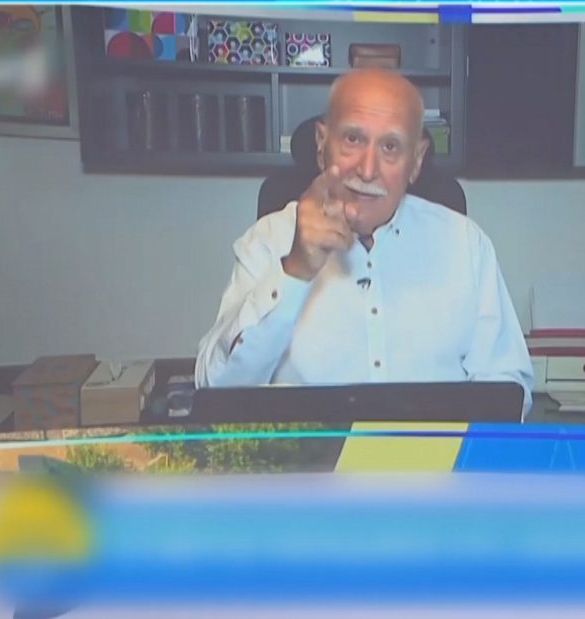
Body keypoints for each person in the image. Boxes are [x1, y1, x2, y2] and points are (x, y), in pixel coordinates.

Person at [195, 69, 533, 415]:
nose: (368, 170)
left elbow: (508, 388)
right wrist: (294, 271)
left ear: (416, 161)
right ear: (322, 144)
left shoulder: (466, 245)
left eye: (390, 147)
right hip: (310, 451)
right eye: (353, 139)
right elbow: (217, 392)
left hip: (435, 451)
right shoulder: (267, 241)